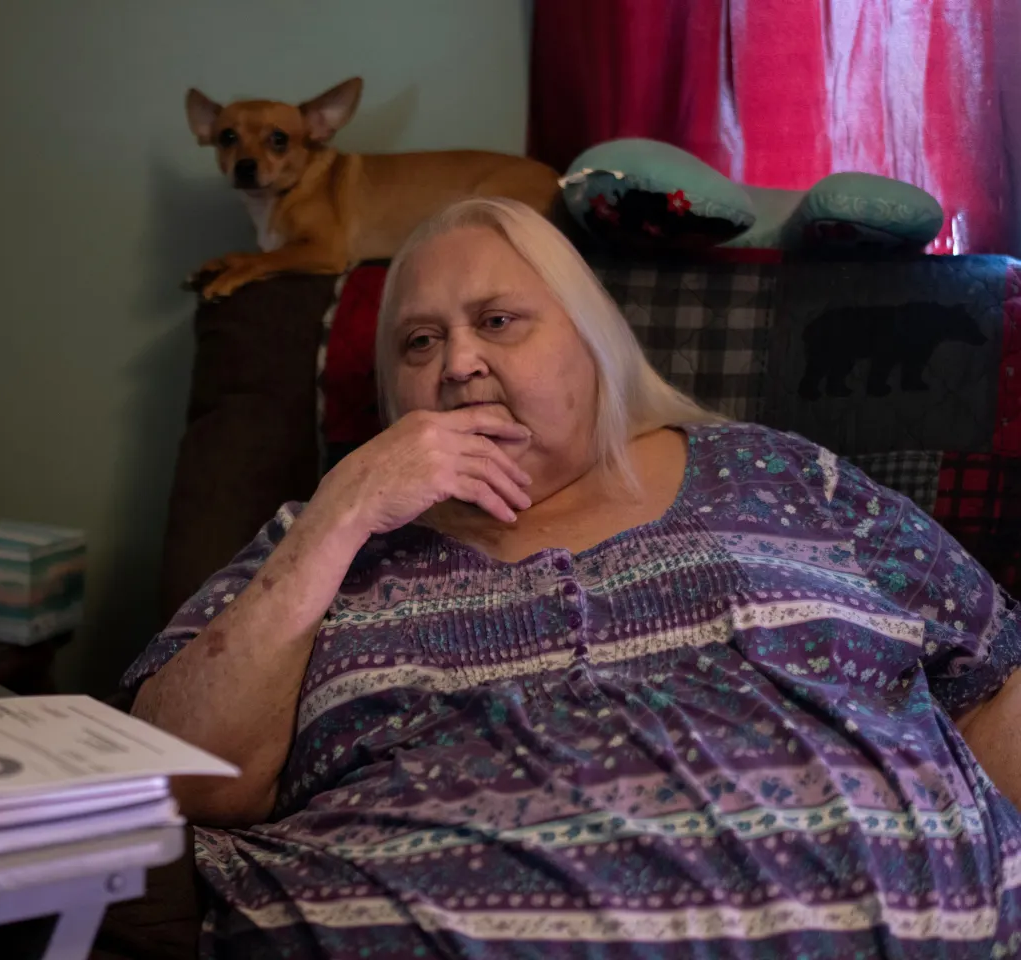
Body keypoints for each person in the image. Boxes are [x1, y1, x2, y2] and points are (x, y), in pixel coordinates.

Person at [124, 197, 1021, 957]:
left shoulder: (778, 476)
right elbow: (183, 778)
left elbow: (997, 681)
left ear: (592, 342)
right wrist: (342, 511)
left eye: (498, 321)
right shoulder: (321, 536)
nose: (458, 364)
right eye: (419, 343)